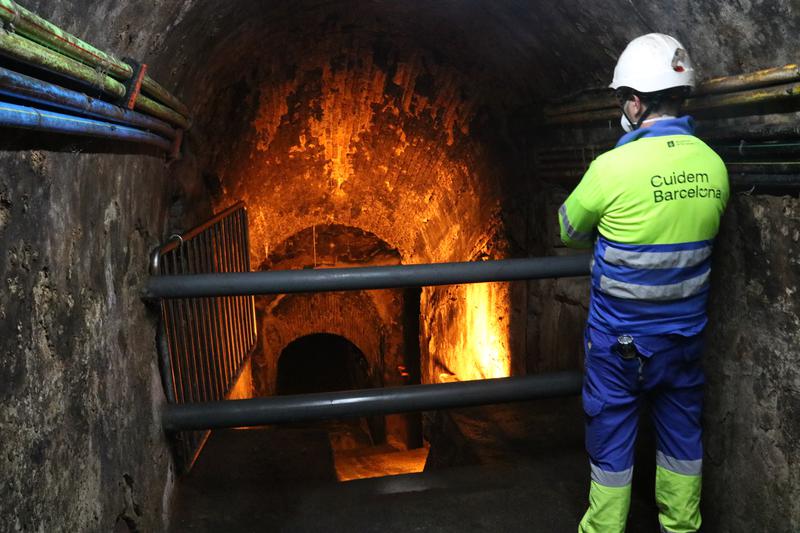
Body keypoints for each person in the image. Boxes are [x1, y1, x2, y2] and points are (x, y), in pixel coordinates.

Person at [558, 33, 729, 533]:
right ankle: (681, 527)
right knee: (681, 445)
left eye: (621, 99)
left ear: (635, 102)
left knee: (611, 445)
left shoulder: (611, 169)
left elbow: (566, 231)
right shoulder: (714, 167)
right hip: (685, 342)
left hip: (619, 346)